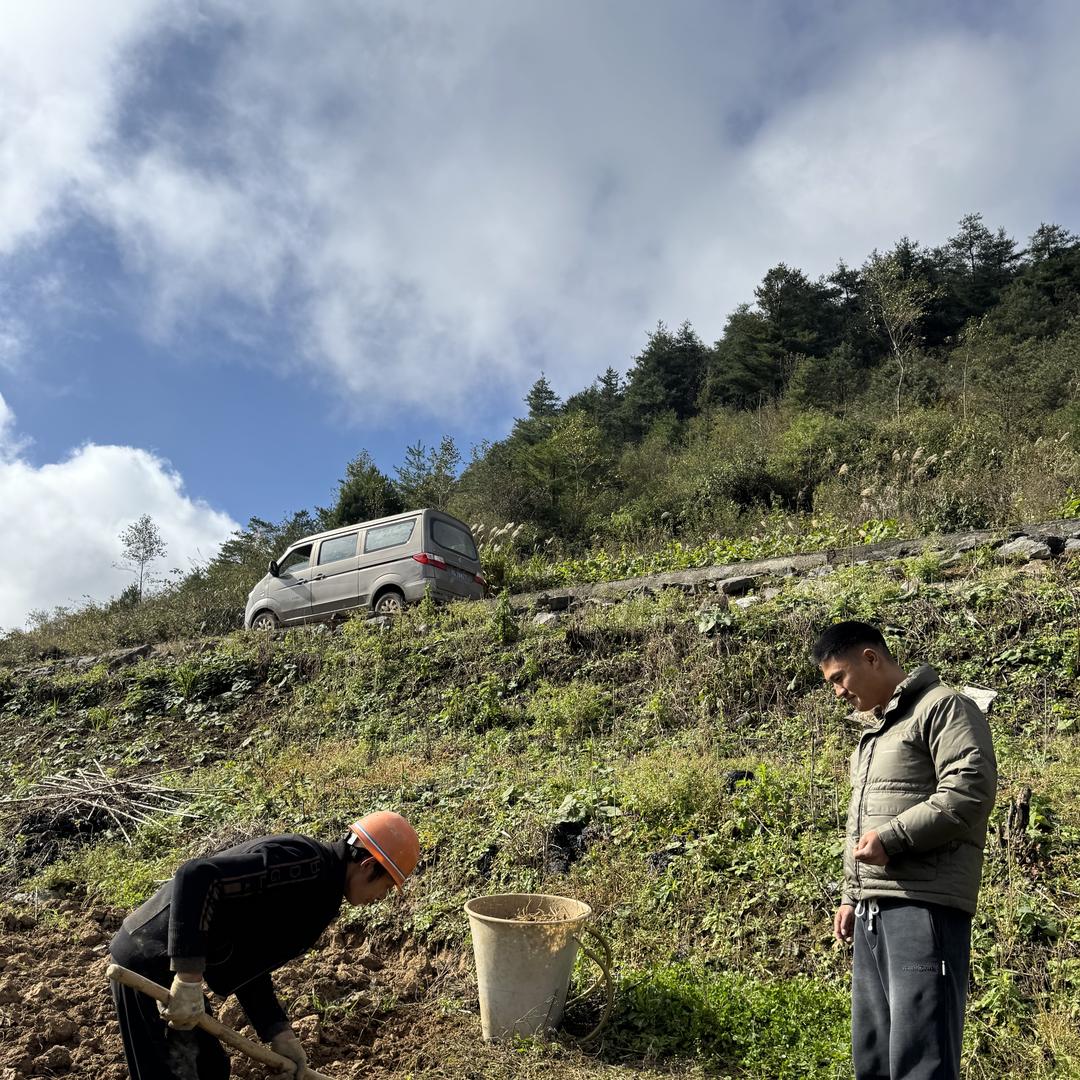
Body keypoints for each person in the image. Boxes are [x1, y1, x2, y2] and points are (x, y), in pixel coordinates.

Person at [812, 621, 996, 1080]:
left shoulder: (942, 708)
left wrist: (893, 838)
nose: (837, 692)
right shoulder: (877, 733)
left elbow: (969, 791)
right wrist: (852, 895)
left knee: (921, 1053)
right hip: (875, 908)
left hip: (924, 906)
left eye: (839, 678)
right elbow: (863, 821)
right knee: (873, 1051)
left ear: (871, 658)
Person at [109, 811, 420, 1079]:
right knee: (167, 1073)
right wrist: (188, 977)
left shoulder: (321, 894)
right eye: (387, 885)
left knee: (210, 1069)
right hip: (146, 959)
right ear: (367, 865)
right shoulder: (304, 866)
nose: (381, 897)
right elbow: (197, 877)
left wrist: (277, 1031)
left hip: (169, 968)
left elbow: (247, 961)